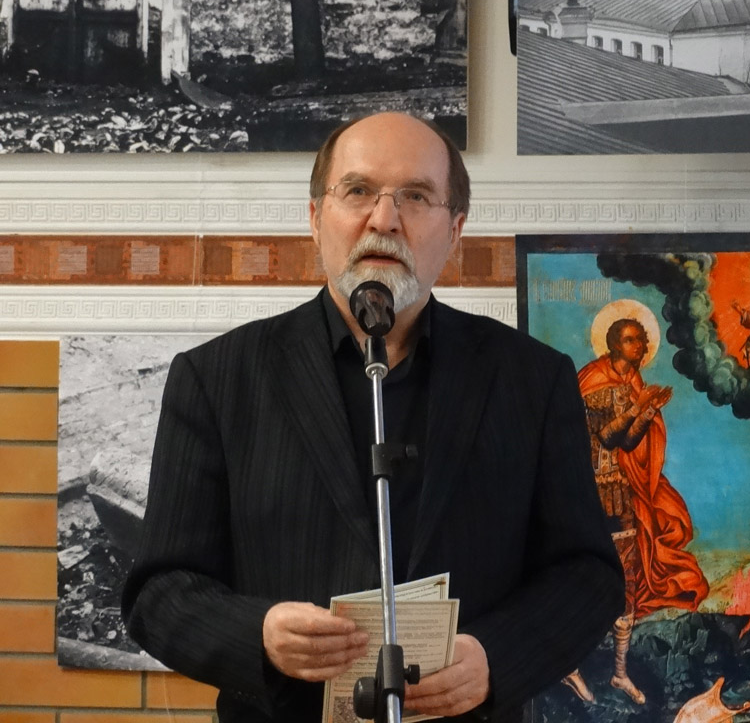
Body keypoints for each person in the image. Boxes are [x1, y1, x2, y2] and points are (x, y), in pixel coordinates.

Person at [122, 112, 624, 723]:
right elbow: (159, 592)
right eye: (358, 190)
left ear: (455, 230)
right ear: (315, 218)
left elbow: (588, 575)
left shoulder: (533, 380)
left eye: (415, 196)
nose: (384, 219)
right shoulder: (215, 378)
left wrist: (497, 658)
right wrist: (260, 633)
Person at [564, 318, 708, 705]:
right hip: (591, 493)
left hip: (621, 493)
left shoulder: (633, 385)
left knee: (626, 580)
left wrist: (647, 411)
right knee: (587, 579)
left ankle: (619, 673)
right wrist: (639, 407)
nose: (639, 345)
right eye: (630, 339)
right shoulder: (593, 379)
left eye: (642, 340)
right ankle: (569, 664)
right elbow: (606, 435)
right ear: (613, 343)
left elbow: (628, 442)